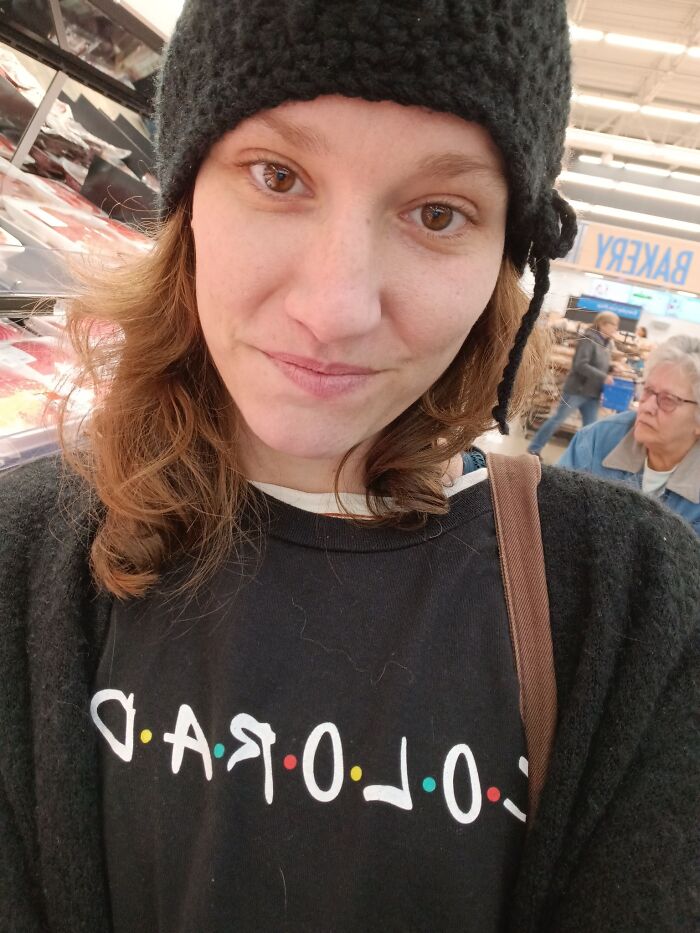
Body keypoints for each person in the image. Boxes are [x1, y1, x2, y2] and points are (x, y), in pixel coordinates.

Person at [0, 3, 697, 932]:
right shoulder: (21, 554)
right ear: (188, 198)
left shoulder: (635, 601)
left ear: (506, 258)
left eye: (438, 212)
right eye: (279, 175)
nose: (336, 307)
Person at [559, 335, 700, 535]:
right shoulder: (595, 441)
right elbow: (552, 515)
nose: (648, 407)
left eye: (668, 400)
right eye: (648, 391)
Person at [527, 311, 619, 457]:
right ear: (602, 324)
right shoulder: (589, 339)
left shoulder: (606, 344)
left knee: (590, 428)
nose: (616, 328)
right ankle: (534, 448)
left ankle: (583, 458)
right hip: (578, 390)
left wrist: (611, 368)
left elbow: (599, 364)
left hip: (593, 393)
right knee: (557, 420)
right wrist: (603, 376)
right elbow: (580, 365)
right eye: (614, 325)